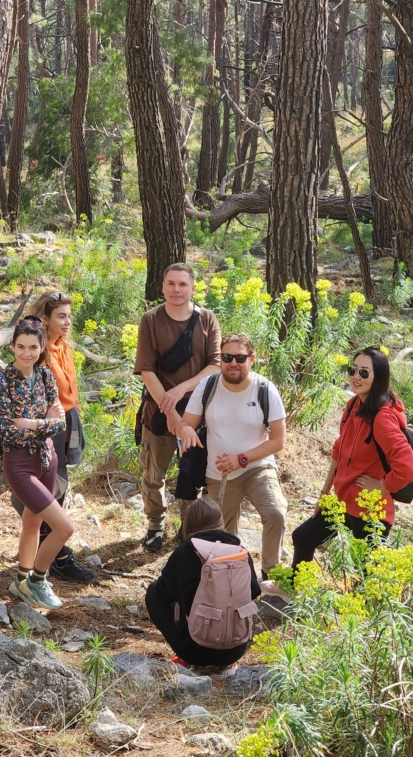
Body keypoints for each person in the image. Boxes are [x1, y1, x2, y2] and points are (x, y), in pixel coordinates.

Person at [289, 346, 413, 568]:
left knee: (363, 572)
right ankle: (295, 589)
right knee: (303, 537)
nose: (356, 377)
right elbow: (339, 450)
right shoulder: (354, 404)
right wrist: (324, 493)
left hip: (370, 511)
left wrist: (379, 488)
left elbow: (406, 467)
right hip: (343, 501)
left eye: (364, 372)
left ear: (379, 377)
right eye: (353, 370)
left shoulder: (383, 418)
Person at [177, 333, 288, 577]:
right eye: (227, 357)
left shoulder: (265, 389)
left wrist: (242, 459)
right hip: (219, 472)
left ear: (252, 359)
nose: (233, 363)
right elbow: (185, 424)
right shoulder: (208, 386)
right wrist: (184, 430)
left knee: (275, 513)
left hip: (257, 467)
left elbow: (278, 440)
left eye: (240, 357)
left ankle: (271, 575)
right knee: (222, 534)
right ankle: (231, 580)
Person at [7, 290, 94, 583]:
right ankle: (56, 555)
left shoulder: (62, 346)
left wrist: (75, 415)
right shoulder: (39, 354)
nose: (68, 322)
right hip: (47, 426)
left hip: (67, 419)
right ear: (46, 319)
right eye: (61, 317)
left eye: (69, 316)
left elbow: (68, 386)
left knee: (61, 482)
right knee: (51, 485)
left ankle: (50, 549)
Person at [134, 263, 221, 552]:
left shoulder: (207, 319)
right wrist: (170, 413)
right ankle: (155, 525)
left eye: (182, 284)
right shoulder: (150, 320)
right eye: (170, 283)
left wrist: (183, 388)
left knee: (193, 472)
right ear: (162, 287)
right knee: (153, 474)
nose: (176, 289)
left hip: (199, 413)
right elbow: (146, 370)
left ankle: (190, 526)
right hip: (158, 412)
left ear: (193, 288)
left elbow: (216, 364)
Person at [0, 317, 74, 609]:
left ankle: (22, 580)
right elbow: (6, 430)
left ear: (41, 348)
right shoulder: (2, 381)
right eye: (21, 346)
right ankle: (39, 580)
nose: (27, 353)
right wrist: (44, 422)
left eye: (33, 347)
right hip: (20, 464)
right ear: (11, 346)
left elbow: (60, 422)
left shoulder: (47, 376)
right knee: (64, 528)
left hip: (47, 459)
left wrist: (31, 423)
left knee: (33, 523)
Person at [144, 498, 260, 674]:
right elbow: (254, 591)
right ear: (220, 522)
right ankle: (226, 665)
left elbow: (162, 594)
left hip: (193, 651)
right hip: (236, 648)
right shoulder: (241, 553)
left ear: (188, 524)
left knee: (152, 591)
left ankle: (185, 660)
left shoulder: (184, 553)